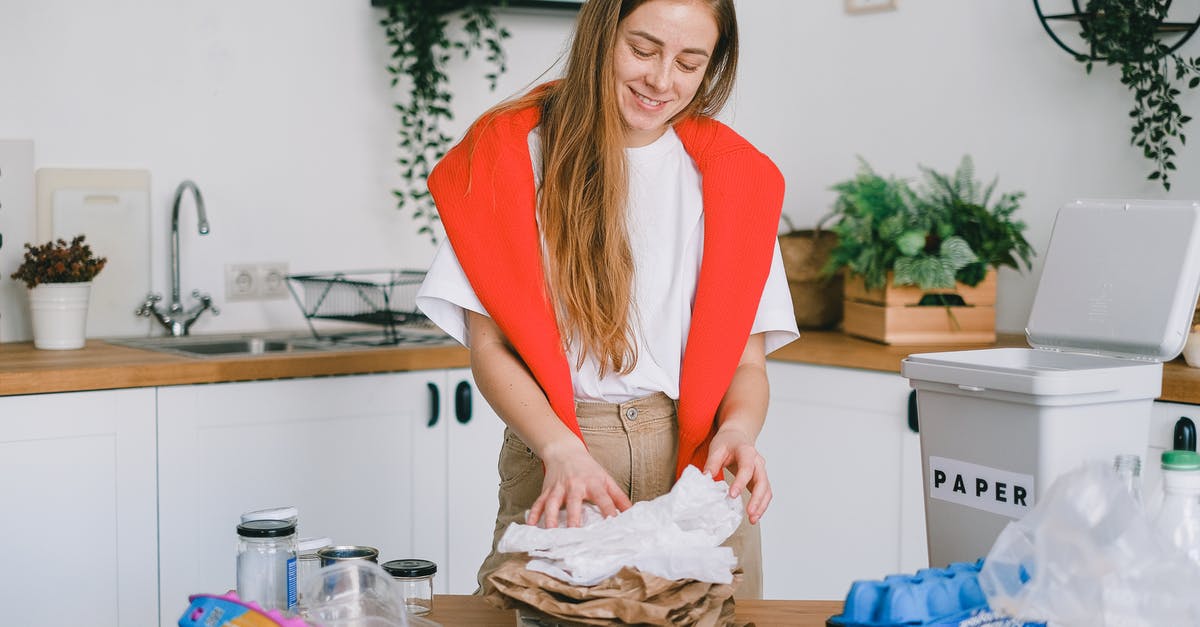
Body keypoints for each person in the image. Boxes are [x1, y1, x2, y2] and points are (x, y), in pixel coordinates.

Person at [415, 0, 798, 600]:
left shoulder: (735, 179)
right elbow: (488, 346)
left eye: (689, 63)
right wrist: (560, 449)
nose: (661, 80)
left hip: (696, 461)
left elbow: (747, 363)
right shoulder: (513, 156)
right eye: (643, 50)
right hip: (563, 452)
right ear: (601, 36)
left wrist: (741, 431)